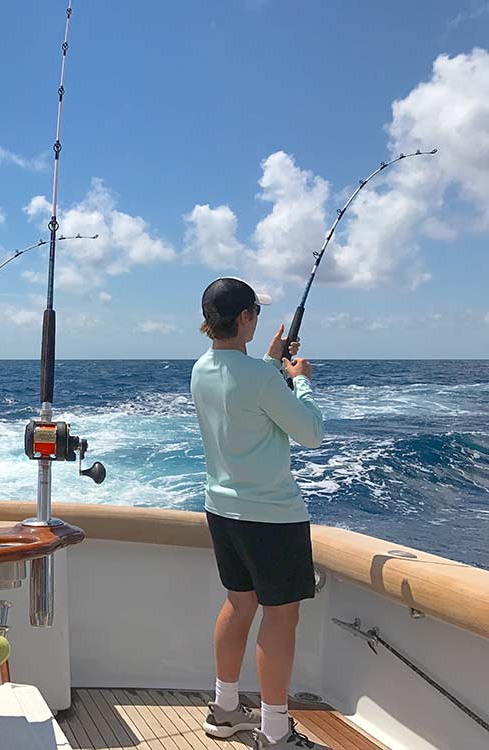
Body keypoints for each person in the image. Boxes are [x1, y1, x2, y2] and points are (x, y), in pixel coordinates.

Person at [190, 279, 326, 750]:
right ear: (245, 318)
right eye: (256, 313)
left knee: (239, 603)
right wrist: (301, 377)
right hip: (271, 517)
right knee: (280, 616)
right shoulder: (264, 378)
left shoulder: (201, 369)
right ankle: (275, 732)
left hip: (222, 510)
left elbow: (242, 391)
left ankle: (225, 709)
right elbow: (310, 432)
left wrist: (270, 361)